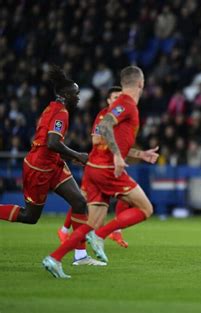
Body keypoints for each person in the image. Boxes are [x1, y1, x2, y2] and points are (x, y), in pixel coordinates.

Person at [42, 66, 159, 278]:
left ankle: (55, 258)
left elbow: (114, 138)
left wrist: (141, 155)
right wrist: (116, 156)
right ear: (141, 84)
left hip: (95, 168)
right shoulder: (126, 104)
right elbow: (105, 127)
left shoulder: (124, 105)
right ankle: (102, 235)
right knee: (146, 209)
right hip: (106, 168)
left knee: (91, 222)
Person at [0, 65, 104, 266]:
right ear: (65, 94)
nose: (78, 98)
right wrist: (79, 155)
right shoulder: (61, 113)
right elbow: (52, 142)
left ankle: (80, 256)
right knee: (30, 216)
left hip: (53, 163)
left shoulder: (52, 107)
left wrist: (68, 156)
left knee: (79, 202)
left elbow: (52, 144)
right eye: (76, 94)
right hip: (39, 167)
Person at [57, 86, 131, 248]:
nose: (118, 100)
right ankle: (66, 230)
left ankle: (111, 232)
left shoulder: (122, 117)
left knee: (121, 195)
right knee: (85, 199)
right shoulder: (103, 116)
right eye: (114, 97)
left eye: (120, 97)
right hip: (99, 164)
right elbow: (96, 141)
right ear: (108, 100)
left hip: (111, 163)